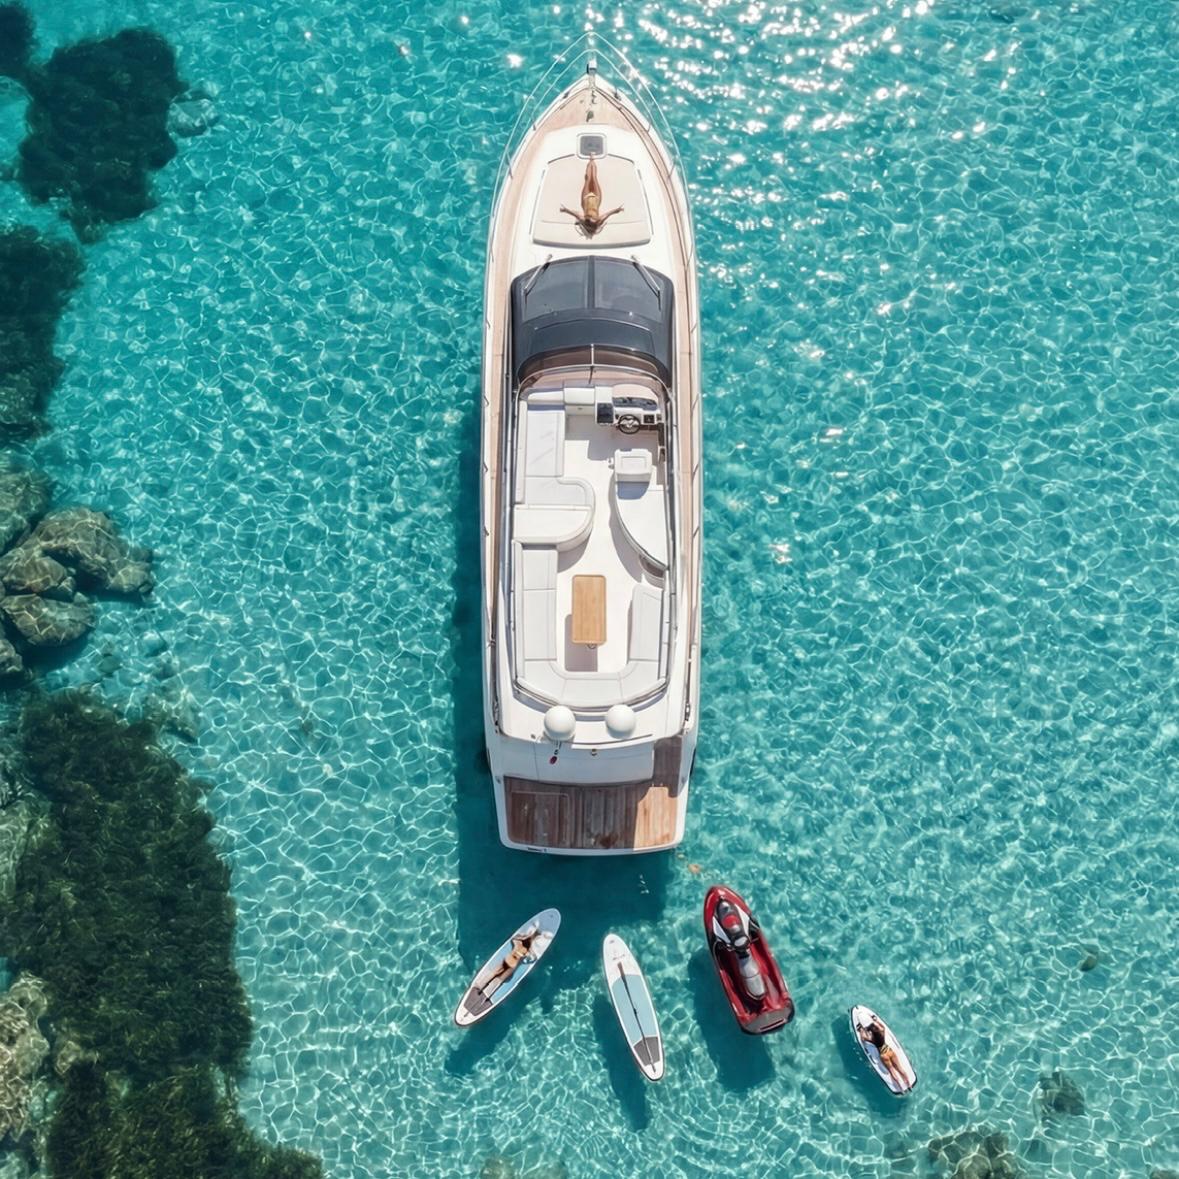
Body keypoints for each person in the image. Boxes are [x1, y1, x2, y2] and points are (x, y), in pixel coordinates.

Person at [560, 157, 624, 236]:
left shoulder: (584, 220)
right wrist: (617, 210)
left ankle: (590, 161)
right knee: (594, 178)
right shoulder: (599, 220)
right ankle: (592, 160)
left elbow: (575, 214)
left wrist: (565, 210)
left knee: (588, 179)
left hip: (585, 200)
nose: (591, 220)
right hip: (596, 199)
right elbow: (608, 214)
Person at [480, 929, 538, 995]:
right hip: (512, 964)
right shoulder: (527, 951)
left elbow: (513, 938)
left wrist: (523, 937)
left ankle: (483, 985)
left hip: (507, 960)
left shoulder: (518, 944)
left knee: (495, 973)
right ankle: (489, 992)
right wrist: (532, 951)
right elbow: (534, 958)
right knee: (501, 979)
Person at [860, 1015, 909, 1089]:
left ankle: (901, 1088)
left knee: (892, 1070)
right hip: (889, 1051)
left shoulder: (872, 1039)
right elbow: (883, 1027)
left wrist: (861, 1030)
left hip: (883, 1055)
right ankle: (909, 1084)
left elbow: (863, 1038)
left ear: (872, 1033)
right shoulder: (882, 1033)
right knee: (899, 1068)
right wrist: (875, 1020)